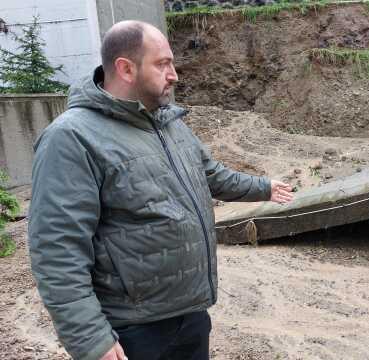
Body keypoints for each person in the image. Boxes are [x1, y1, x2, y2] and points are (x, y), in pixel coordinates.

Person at [28, 20, 293, 360]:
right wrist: (91, 340)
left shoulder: (169, 124)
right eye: (162, 64)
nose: (174, 74)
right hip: (133, 333)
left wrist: (263, 187)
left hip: (190, 316)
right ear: (126, 68)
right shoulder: (71, 138)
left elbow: (212, 175)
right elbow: (57, 249)